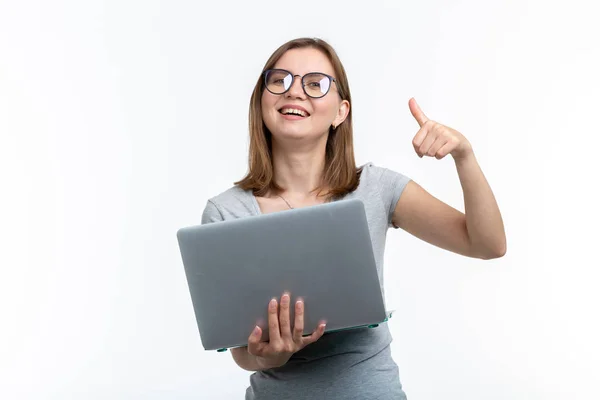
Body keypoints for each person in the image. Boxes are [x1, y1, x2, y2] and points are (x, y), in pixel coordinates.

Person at [201, 37, 506, 399]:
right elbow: (241, 353)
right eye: (279, 80)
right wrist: (271, 357)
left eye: (314, 84)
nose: (294, 92)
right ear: (262, 100)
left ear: (341, 112)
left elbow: (487, 244)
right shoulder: (226, 212)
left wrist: (464, 155)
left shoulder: (376, 188)